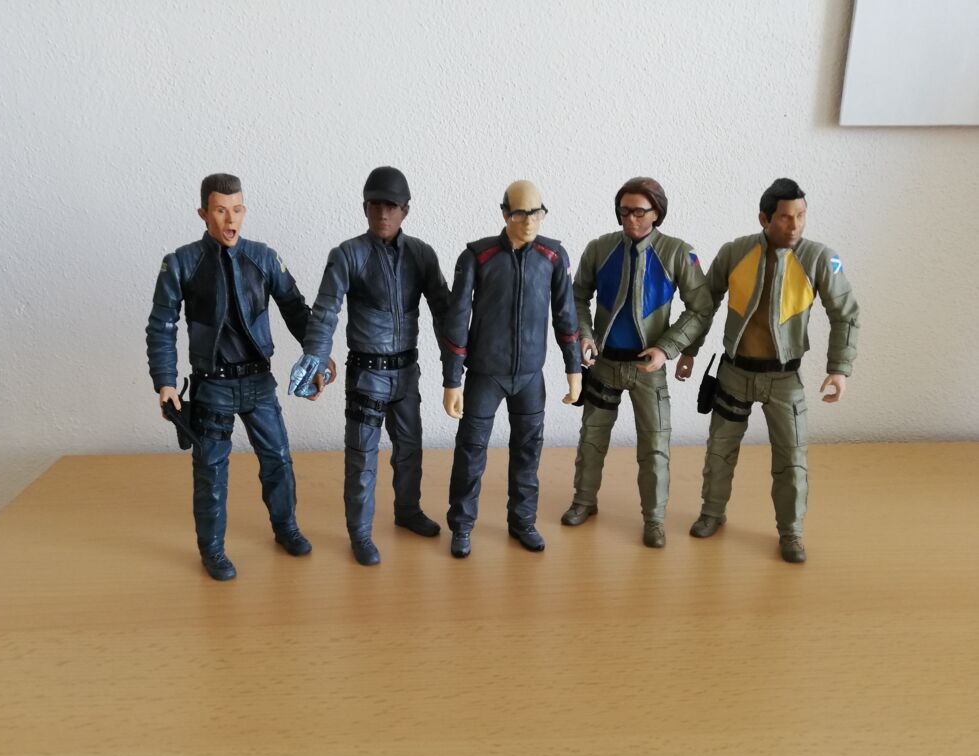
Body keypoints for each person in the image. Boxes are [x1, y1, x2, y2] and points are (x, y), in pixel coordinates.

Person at [146, 173, 334, 580]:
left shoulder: (263, 258)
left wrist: (319, 356)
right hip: (212, 386)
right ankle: (212, 549)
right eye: (220, 210)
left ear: (244, 211)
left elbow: (295, 309)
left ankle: (285, 527)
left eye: (236, 209)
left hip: (258, 382)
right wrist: (165, 381)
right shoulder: (181, 263)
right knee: (210, 471)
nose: (230, 220)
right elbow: (162, 325)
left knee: (278, 459)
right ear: (203, 214)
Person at [677, 178, 860, 563]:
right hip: (734, 374)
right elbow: (704, 305)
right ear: (764, 218)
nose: (795, 225)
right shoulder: (735, 252)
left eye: (801, 215)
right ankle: (712, 512)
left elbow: (845, 313)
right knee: (720, 451)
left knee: (792, 460)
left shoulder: (820, 259)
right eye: (785, 217)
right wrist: (688, 350)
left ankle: (791, 532)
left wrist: (839, 368)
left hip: (784, 378)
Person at [289, 167, 450, 566]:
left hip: (406, 373)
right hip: (367, 375)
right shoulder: (348, 254)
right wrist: (315, 358)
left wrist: (458, 364)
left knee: (410, 449)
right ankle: (360, 532)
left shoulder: (422, 255)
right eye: (376, 205)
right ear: (365, 207)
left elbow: (445, 312)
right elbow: (326, 311)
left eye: (391, 206)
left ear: (405, 210)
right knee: (361, 456)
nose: (383, 213)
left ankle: (407, 510)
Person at [562, 177, 712, 547]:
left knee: (655, 447)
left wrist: (668, 348)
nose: (631, 218)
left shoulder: (678, 252)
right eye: (625, 211)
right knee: (591, 438)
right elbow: (577, 297)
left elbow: (700, 308)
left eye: (640, 211)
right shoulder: (600, 248)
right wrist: (585, 335)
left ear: (656, 212)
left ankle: (655, 518)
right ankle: (584, 500)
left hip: (648, 368)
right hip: (605, 365)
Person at [442, 180, 582, 558]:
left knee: (528, 452)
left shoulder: (553, 256)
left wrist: (574, 369)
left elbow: (565, 315)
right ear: (505, 214)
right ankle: (462, 525)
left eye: (536, 212)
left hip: (530, 376)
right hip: (485, 374)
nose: (530, 221)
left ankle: (523, 521)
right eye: (520, 213)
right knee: (471, 452)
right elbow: (457, 319)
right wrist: (452, 380)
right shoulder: (478, 256)